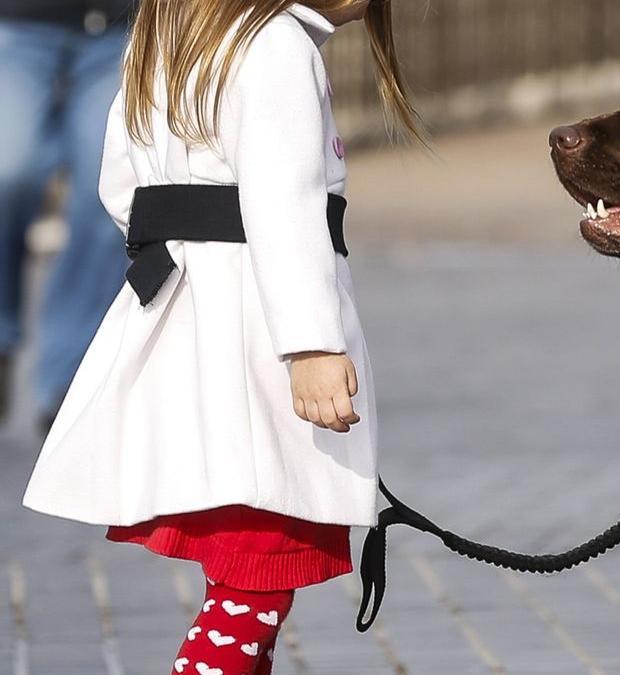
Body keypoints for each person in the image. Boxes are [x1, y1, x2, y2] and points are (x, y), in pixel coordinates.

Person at [21, 1, 421, 672]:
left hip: (185, 312)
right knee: (257, 573)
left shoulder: (167, 38)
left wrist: (181, 251)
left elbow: (121, 184)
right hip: (261, 335)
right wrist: (312, 344)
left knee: (242, 572)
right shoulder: (276, 44)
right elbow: (284, 201)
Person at [0, 0, 134, 433]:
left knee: (108, 192)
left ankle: (68, 379)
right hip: (17, 24)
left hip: (117, 28)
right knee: (7, 172)